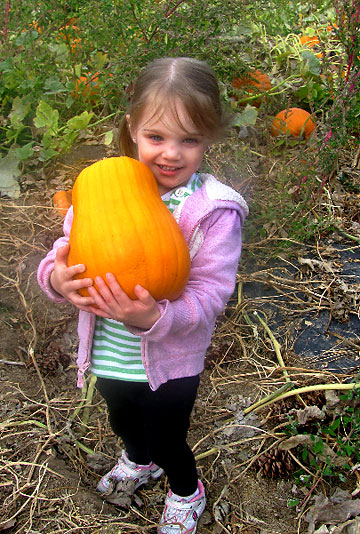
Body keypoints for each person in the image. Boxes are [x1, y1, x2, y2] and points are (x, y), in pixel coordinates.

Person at [37, 56, 248, 534]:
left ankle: (184, 491)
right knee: (123, 419)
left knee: (168, 435)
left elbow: (211, 295)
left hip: (171, 360)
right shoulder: (102, 187)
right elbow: (62, 255)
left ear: (208, 139)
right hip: (112, 356)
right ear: (133, 129)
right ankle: (138, 460)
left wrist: (155, 315)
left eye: (188, 140)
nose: (170, 154)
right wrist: (57, 279)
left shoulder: (213, 211)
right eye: (156, 137)